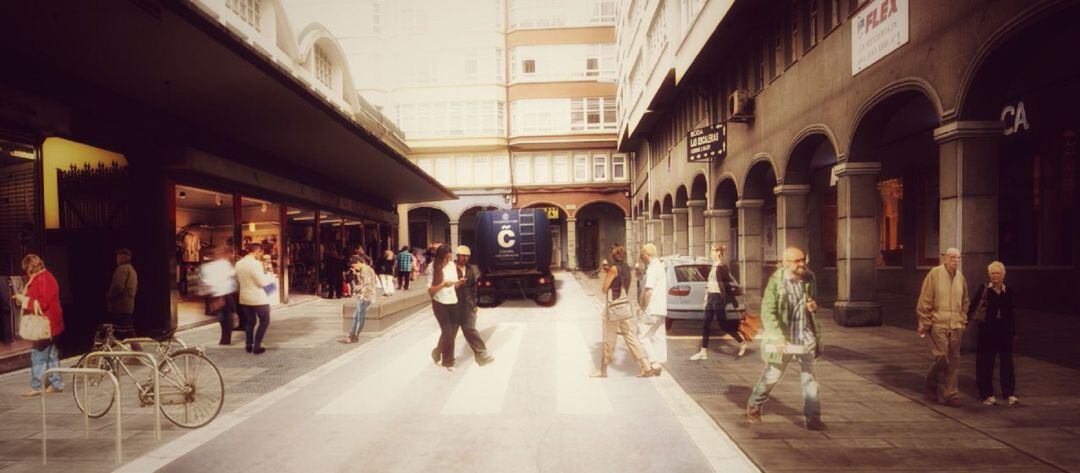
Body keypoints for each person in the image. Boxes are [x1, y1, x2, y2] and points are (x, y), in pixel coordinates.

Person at [746, 247, 825, 431]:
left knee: (810, 379)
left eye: (803, 259)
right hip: (784, 339)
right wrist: (777, 338)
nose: (802, 264)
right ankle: (754, 405)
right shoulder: (776, 282)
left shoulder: (809, 278)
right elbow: (768, 312)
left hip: (805, 336)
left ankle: (813, 418)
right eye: (797, 261)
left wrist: (812, 306)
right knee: (772, 375)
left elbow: (811, 301)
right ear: (785, 263)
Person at [916, 247, 970, 407]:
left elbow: (965, 301)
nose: (955, 261)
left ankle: (951, 394)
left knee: (954, 360)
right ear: (945, 258)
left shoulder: (960, 278)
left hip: (956, 325)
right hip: (938, 323)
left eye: (958, 258)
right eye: (952, 257)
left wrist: (963, 319)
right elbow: (925, 299)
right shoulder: (935, 274)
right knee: (942, 357)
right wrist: (925, 322)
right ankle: (930, 384)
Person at [593, 244, 656, 378]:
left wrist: (607, 275)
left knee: (609, 338)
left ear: (614, 256)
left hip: (613, 308)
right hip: (624, 308)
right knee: (630, 337)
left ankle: (603, 370)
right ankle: (646, 366)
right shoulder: (627, 268)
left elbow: (604, 289)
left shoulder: (613, 269)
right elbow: (622, 284)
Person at [15, 254, 64, 397]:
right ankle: (56, 384)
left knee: (37, 355)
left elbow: (42, 303)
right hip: (52, 324)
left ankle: (37, 386)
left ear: (30, 268)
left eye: (26, 269)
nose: (26, 273)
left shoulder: (42, 279)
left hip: (44, 325)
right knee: (52, 354)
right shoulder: (47, 276)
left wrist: (24, 300)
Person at [971, 261, 1018, 406]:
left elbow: (1011, 313)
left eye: (997, 273)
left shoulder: (1008, 291)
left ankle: (1009, 394)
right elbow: (973, 307)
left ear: (1003, 275)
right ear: (989, 275)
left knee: (1007, 363)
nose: (995, 275)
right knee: (985, 363)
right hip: (987, 332)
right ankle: (987, 395)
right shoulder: (984, 289)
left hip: (1005, 332)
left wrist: (1013, 332)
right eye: (992, 273)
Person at [690, 244, 747, 361]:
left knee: (723, 325)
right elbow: (710, 284)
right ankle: (703, 352)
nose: (710, 253)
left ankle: (742, 342)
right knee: (706, 324)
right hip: (711, 297)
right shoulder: (713, 266)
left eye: (713, 251)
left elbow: (727, 284)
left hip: (718, 298)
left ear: (718, 253)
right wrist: (706, 299)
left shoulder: (722, 267)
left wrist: (732, 301)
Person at [453, 246, 494, 366]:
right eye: (463, 256)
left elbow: (473, 289)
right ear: (457, 255)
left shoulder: (470, 269)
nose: (465, 258)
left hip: (468, 305)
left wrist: (475, 304)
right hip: (453, 305)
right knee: (450, 333)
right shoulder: (450, 268)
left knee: (470, 329)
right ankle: (440, 353)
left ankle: (482, 355)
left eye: (467, 256)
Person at [427, 245, 463, 371]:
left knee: (452, 333)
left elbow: (454, 285)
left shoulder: (452, 265)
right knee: (447, 333)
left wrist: (459, 283)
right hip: (439, 302)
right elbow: (430, 291)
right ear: (439, 257)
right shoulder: (431, 267)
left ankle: (439, 353)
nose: (448, 261)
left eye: (449, 258)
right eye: (446, 258)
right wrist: (443, 285)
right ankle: (448, 361)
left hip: (453, 301)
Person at [237, 243, 276, 354]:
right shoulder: (255, 264)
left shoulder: (239, 263)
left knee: (250, 321)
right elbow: (261, 282)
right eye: (261, 253)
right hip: (258, 298)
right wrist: (270, 277)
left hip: (244, 297)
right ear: (257, 251)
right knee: (265, 321)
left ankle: (248, 344)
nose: (261, 255)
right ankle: (257, 346)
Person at [637, 243, 667, 375]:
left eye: (642, 255)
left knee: (641, 336)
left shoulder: (652, 269)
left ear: (646, 254)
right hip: (661, 308)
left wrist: (642, 308)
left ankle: (654, 364)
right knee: (657, 336)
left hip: (651, 308)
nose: (641, 257)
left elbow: (648, 291)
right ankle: (659, 362)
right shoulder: (660, 267)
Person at [199, 247, 239, 345]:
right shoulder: (224, 264)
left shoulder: (205, 266)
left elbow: (204, 281)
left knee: (221, 315)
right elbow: (233, 274)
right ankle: (226, 338)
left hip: (214, 294)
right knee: (228, 315)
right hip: (225, 293)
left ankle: (224, 338)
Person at [340, 255, 377, 344]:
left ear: (358, 262)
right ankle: (352, 336)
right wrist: (357, 274)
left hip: (366, 296)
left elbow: (367, 284)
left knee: (359, 317)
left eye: (354, 266)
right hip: (368, 295)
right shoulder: (367, 269)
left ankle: (353, 337)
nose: (354, 268)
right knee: (357, 316)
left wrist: (362, 295)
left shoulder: (364, 270)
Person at [105, 248, 139, 341]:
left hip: (119, 306)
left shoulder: (121, 269)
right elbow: (136, 288)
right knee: (123, 331)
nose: (117, 259)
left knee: (126, 330)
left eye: (118, 257)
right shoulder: (132, 270)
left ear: (123, 257)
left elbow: (118, 286)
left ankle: (137, 348)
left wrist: (109, 296)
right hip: (128, 306)